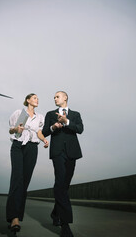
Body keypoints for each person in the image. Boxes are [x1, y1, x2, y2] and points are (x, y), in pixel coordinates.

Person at [42, 91, 84, 237]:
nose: (54, 98)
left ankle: (55, 213)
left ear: (65, 98)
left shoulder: (76, 114)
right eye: (53, 97)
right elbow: (44, 131)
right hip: (58, 152)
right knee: (60, 182)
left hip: (72, 152)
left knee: (64, 185)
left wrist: (66, 121)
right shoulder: (50, 114)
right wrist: (54, 127)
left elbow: (80, 129)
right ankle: (65, 224)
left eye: (57, 96)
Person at [6, 93, 49, 233]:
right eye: (35, 98)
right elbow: (11, 129)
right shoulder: (19, 113)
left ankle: (18, 215)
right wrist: (16, 129)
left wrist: (44, 140)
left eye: (38, 98)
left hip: (32, 148)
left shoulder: (40, 117)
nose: (37, 100)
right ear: (28, 100)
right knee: (17, 178)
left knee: (25, 182)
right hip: (18, 145)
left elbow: (39, 132)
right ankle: (14, 218)